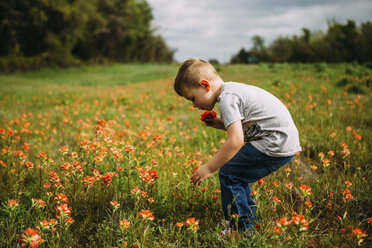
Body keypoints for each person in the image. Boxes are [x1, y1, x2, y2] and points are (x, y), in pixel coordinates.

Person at [173, 58, 302, 234]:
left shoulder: (227, 99)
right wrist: (220, 123)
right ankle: (250, 223)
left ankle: (240, 229)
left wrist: (209, 168)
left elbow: (235, 140)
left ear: (205, 85)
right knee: (237, 175)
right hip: (281, 140)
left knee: (230, 173)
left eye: (193, 98)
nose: (194, 105)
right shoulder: (231, 91)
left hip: (275, 142)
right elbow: (244, 124)